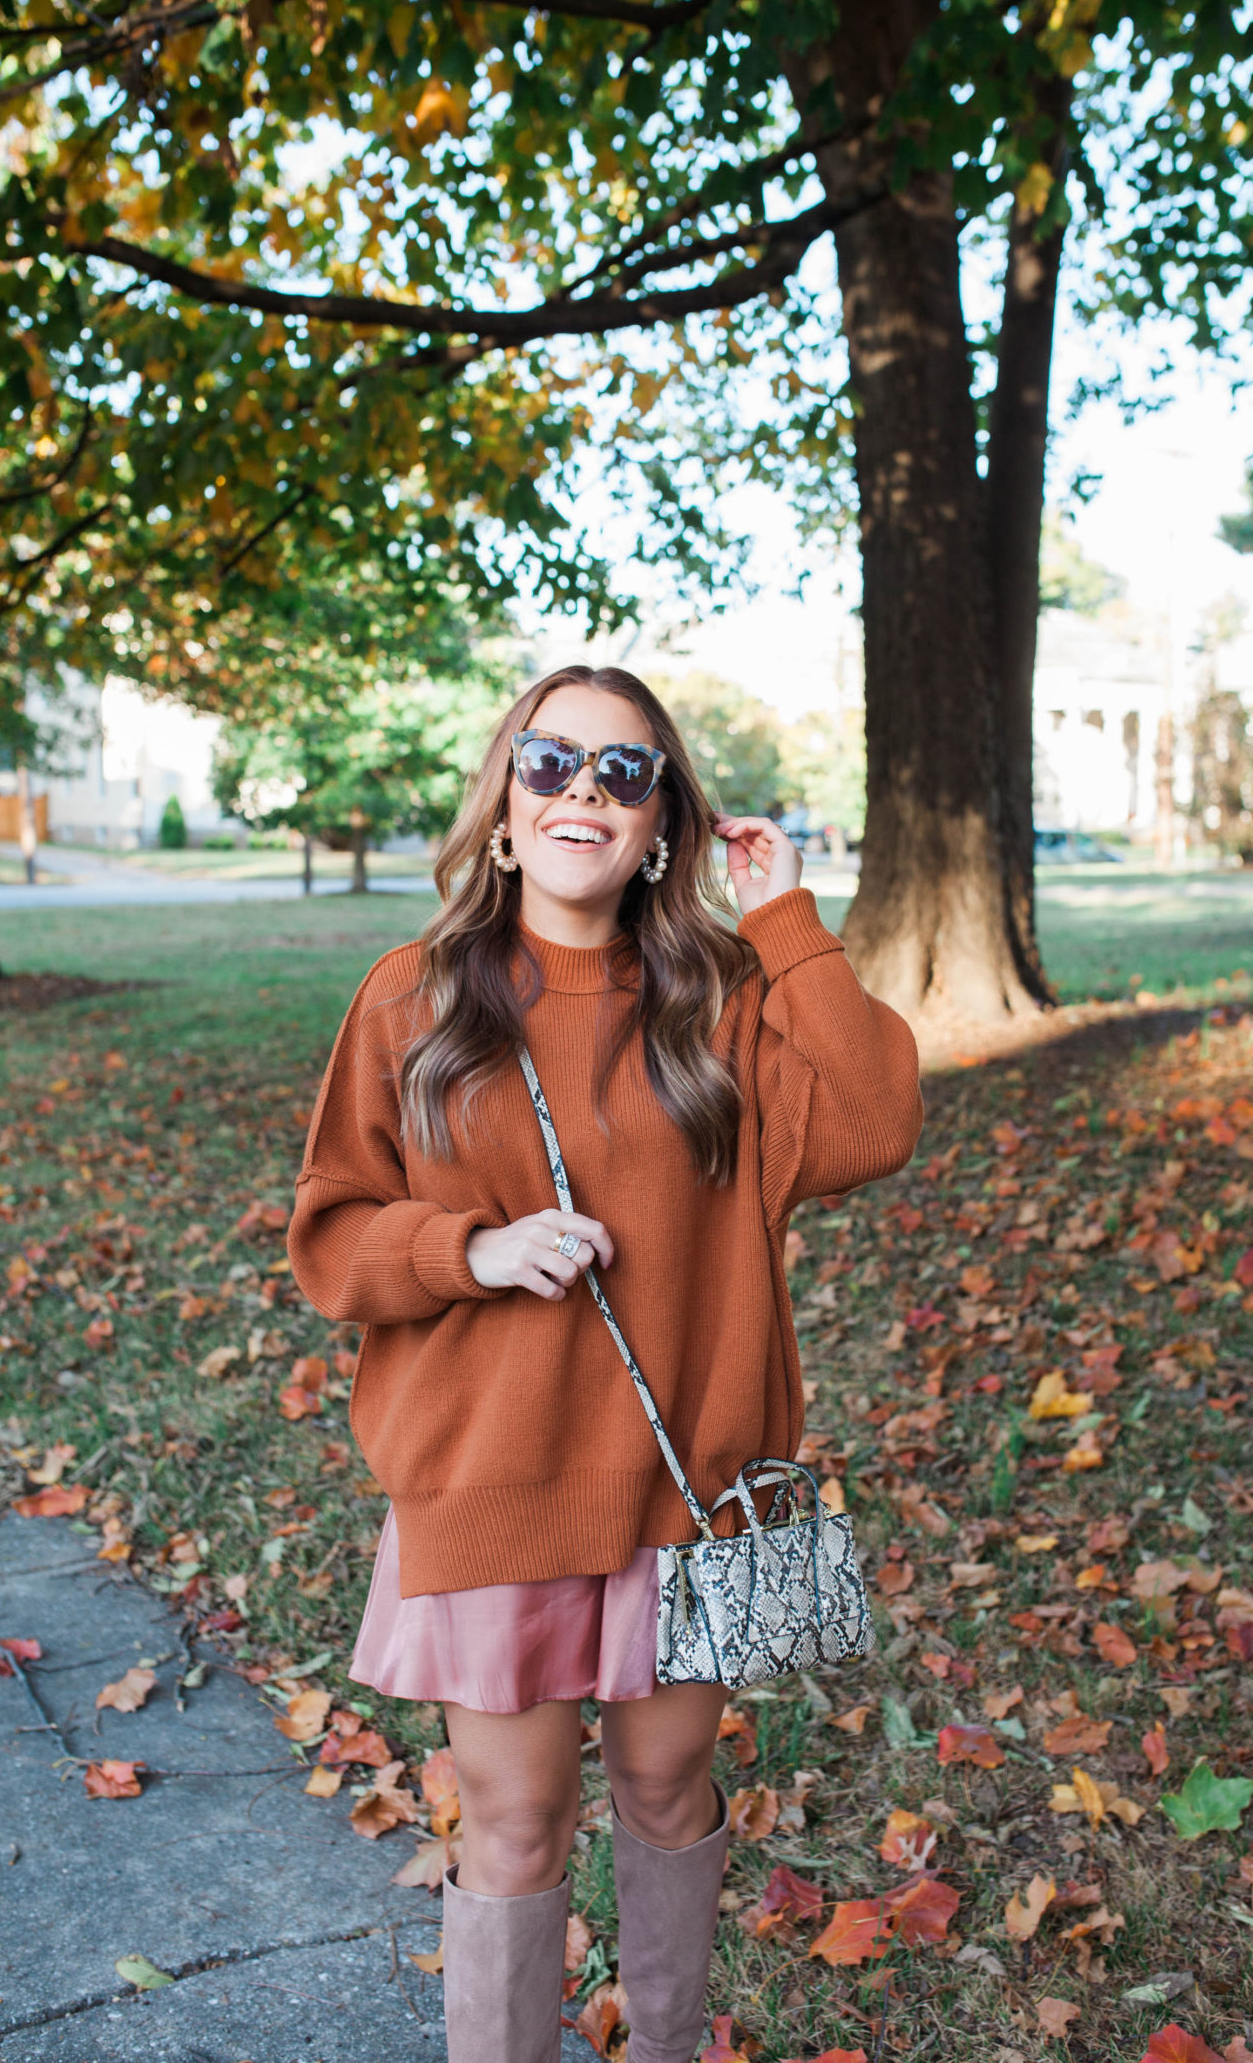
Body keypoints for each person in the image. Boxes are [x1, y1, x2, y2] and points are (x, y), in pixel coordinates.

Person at [289, 665, 922, 2063]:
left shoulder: (725, 997)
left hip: (689, 1498)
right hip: (490, 1483)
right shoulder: (414, 999)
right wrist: (470, 1253)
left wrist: (787, 919)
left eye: (626, 773)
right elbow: (330, 1236)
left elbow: (877, 1123)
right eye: (552, 761)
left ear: (662, 828)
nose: (585, 789)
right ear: (507, 805)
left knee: (666, 1787)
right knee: (514, 1822)